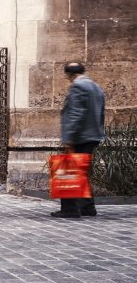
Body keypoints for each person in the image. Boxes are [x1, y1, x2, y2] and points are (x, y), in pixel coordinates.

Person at [51, 62, 105, 218]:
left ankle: (69, 209)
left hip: (80, 137)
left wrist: (69, 140)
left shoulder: (78, 87)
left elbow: (75, 115)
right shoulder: (96, 87)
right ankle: (87, 207)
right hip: (93, 135)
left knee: (69, 171)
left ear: (69, 75)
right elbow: (101, 113)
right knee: (82, 171)